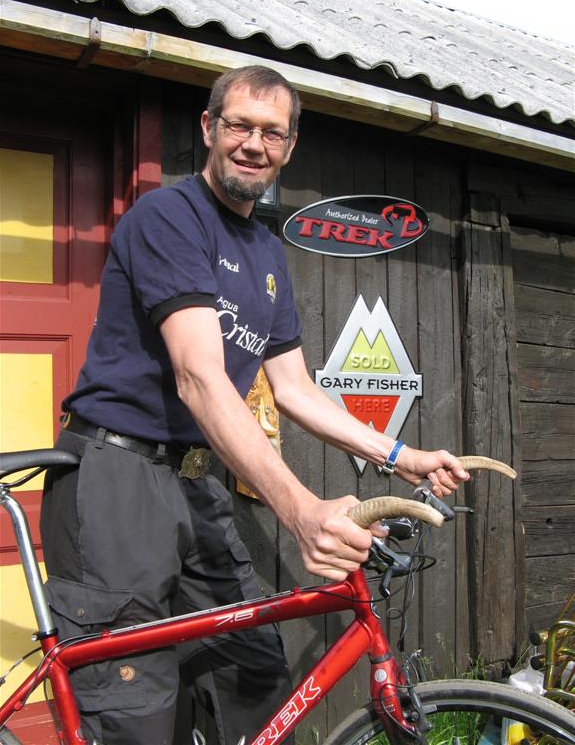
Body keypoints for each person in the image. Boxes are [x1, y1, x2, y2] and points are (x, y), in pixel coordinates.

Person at [41, 65, 469, 745]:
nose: (252, 144)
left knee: (255, 675)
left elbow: (294, 389)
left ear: (289, 147)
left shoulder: (266, 252)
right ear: (209, 128)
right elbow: (199, 376)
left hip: (191, 480)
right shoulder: (169, 218)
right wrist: (299, 510)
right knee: (131, 710)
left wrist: (400, 454)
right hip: (114, 476)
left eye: (271, 132)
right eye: (239, 125)